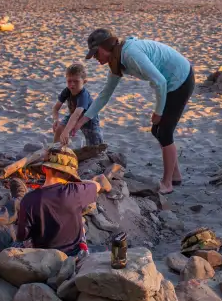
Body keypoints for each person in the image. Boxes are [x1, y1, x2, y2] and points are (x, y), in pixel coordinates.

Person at [62, 28, 194, 195]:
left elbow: (160, 82)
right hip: (169, 83)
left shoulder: (130, 54)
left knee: (165, 132)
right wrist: (80, 122)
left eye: (96, 54)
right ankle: (175, 175)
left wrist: (158, 112)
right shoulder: (116, 62)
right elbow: (104, 96)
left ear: (105, 47)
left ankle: (167, 183)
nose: (96, 58)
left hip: (180, 79)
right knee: (157, 130)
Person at [15, 146, 106, 256]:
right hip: (74, 253)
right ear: (70, 174)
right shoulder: (76, 192)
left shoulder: (29, 199)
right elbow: (96, 185)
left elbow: (22, 236)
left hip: (44, 257)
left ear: (44, 169)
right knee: (81, 223)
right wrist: (75, 182)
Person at [52, 63, 103, 147]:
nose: (72, 84)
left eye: (76, 81)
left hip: (88, 120)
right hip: (73, 115)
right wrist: (56, 120)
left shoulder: (83, 95)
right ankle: (55, 149)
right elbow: (55, 108)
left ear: (84, 82)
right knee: (59, 128)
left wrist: (66, 131)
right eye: (69, 81)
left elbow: (77, 115)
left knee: (95, 145)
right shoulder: (67, 91)